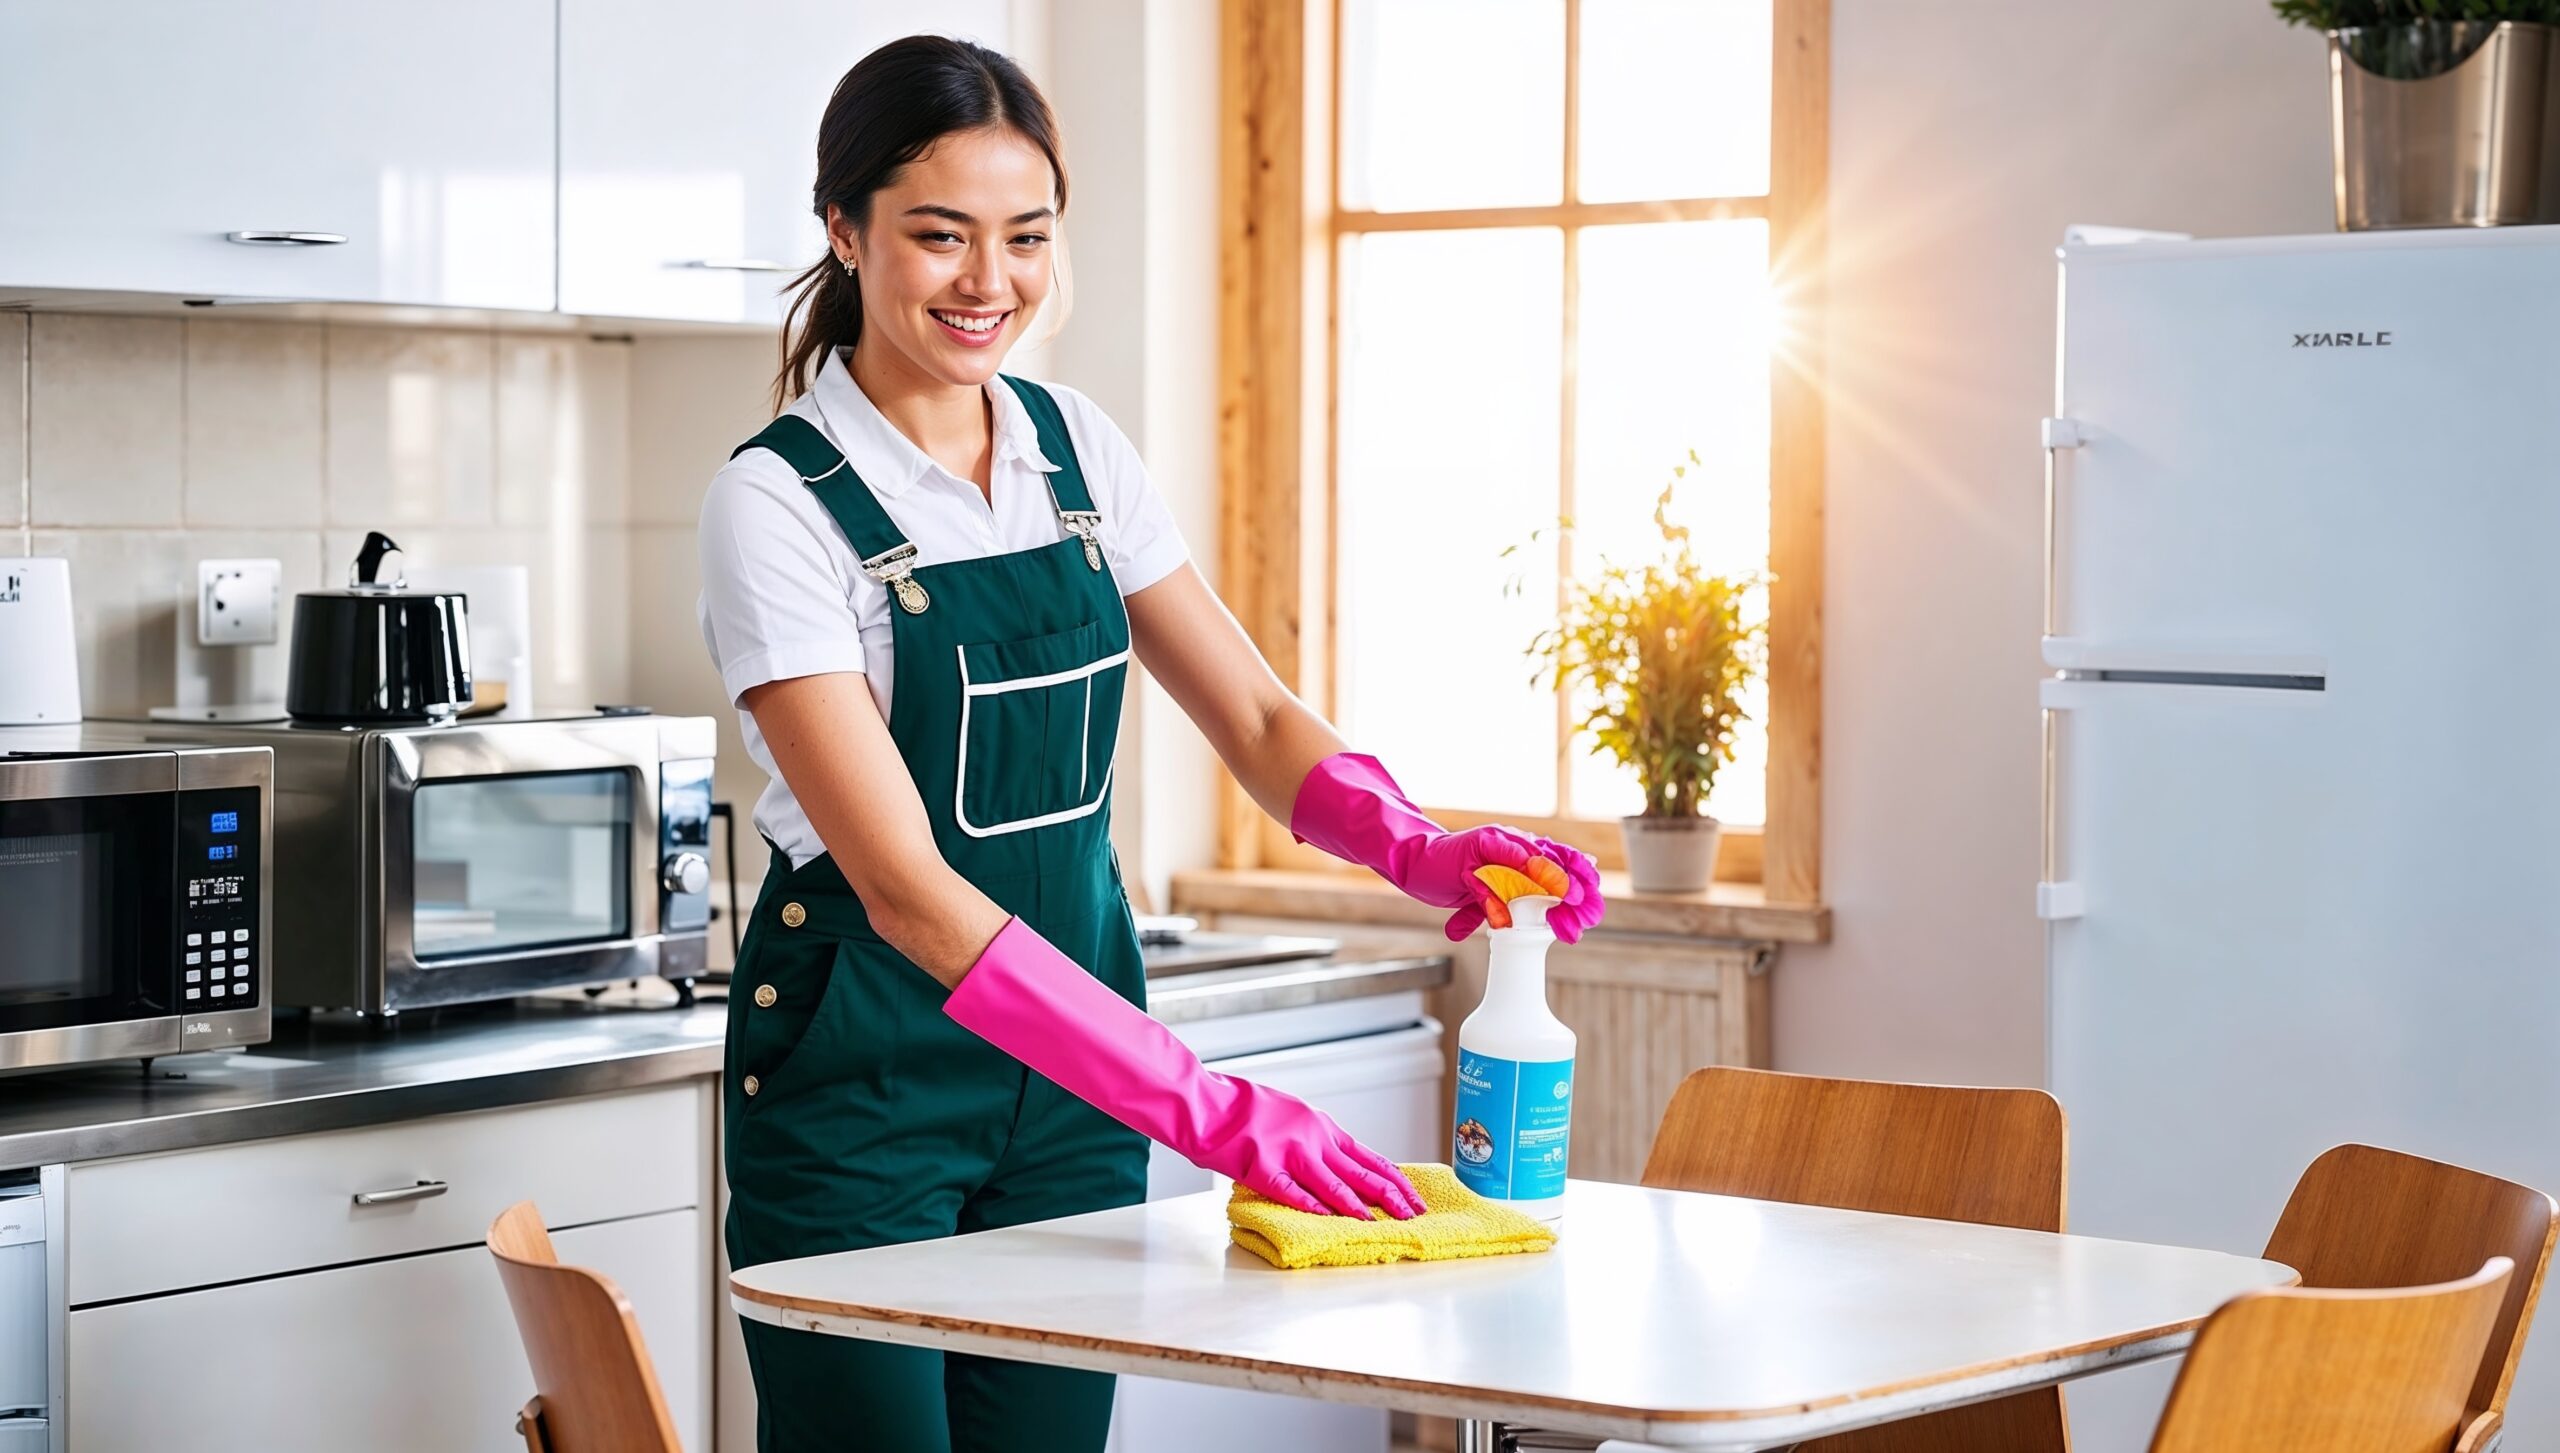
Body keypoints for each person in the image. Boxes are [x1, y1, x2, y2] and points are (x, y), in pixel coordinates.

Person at [696, 34, 1607, 1453]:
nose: (988, 281)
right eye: (939, 235)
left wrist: (1417, 846)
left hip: (1069, 1089)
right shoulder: (779, 502)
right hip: (863, 1088)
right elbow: (905, 891)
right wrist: (1212, 1109)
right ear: (844, 228)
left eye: (1026, 237)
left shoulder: (1075, 451)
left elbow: (1247, 714)